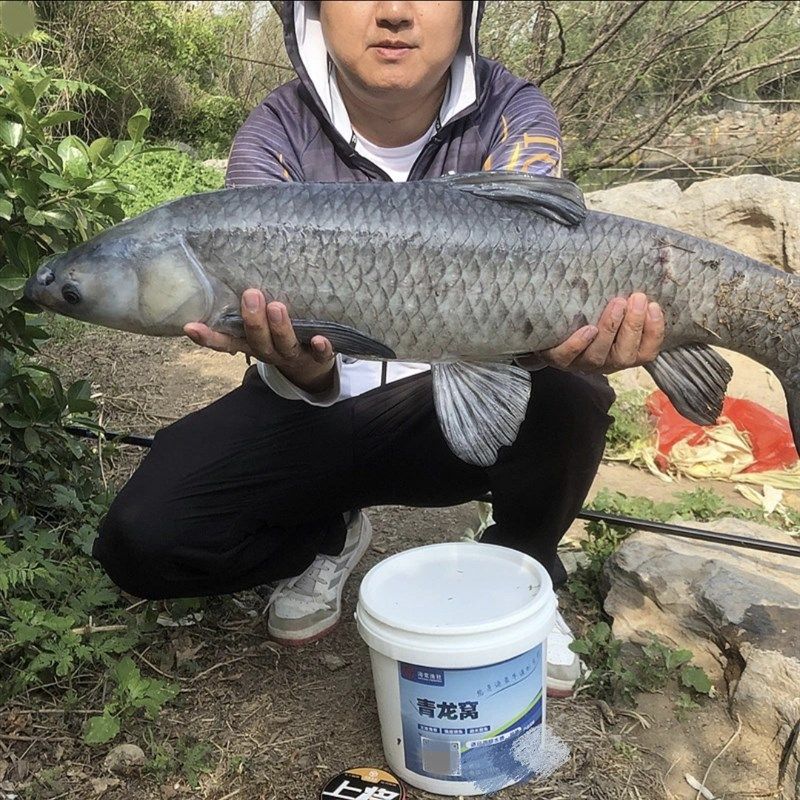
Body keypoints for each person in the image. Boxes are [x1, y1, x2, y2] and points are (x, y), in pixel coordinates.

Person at [93, 0, 664, 697]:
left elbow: (543, 259)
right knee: (142, 537)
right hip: (313, 408)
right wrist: (303, 367)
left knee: (573, 387)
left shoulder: (513, 111)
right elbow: (275, 332)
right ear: (313, 12)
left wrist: (580, 335)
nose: (394, 12)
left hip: (452, 407)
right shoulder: (274, 130)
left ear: (465, 12)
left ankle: (522, 570)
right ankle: (326, 534)